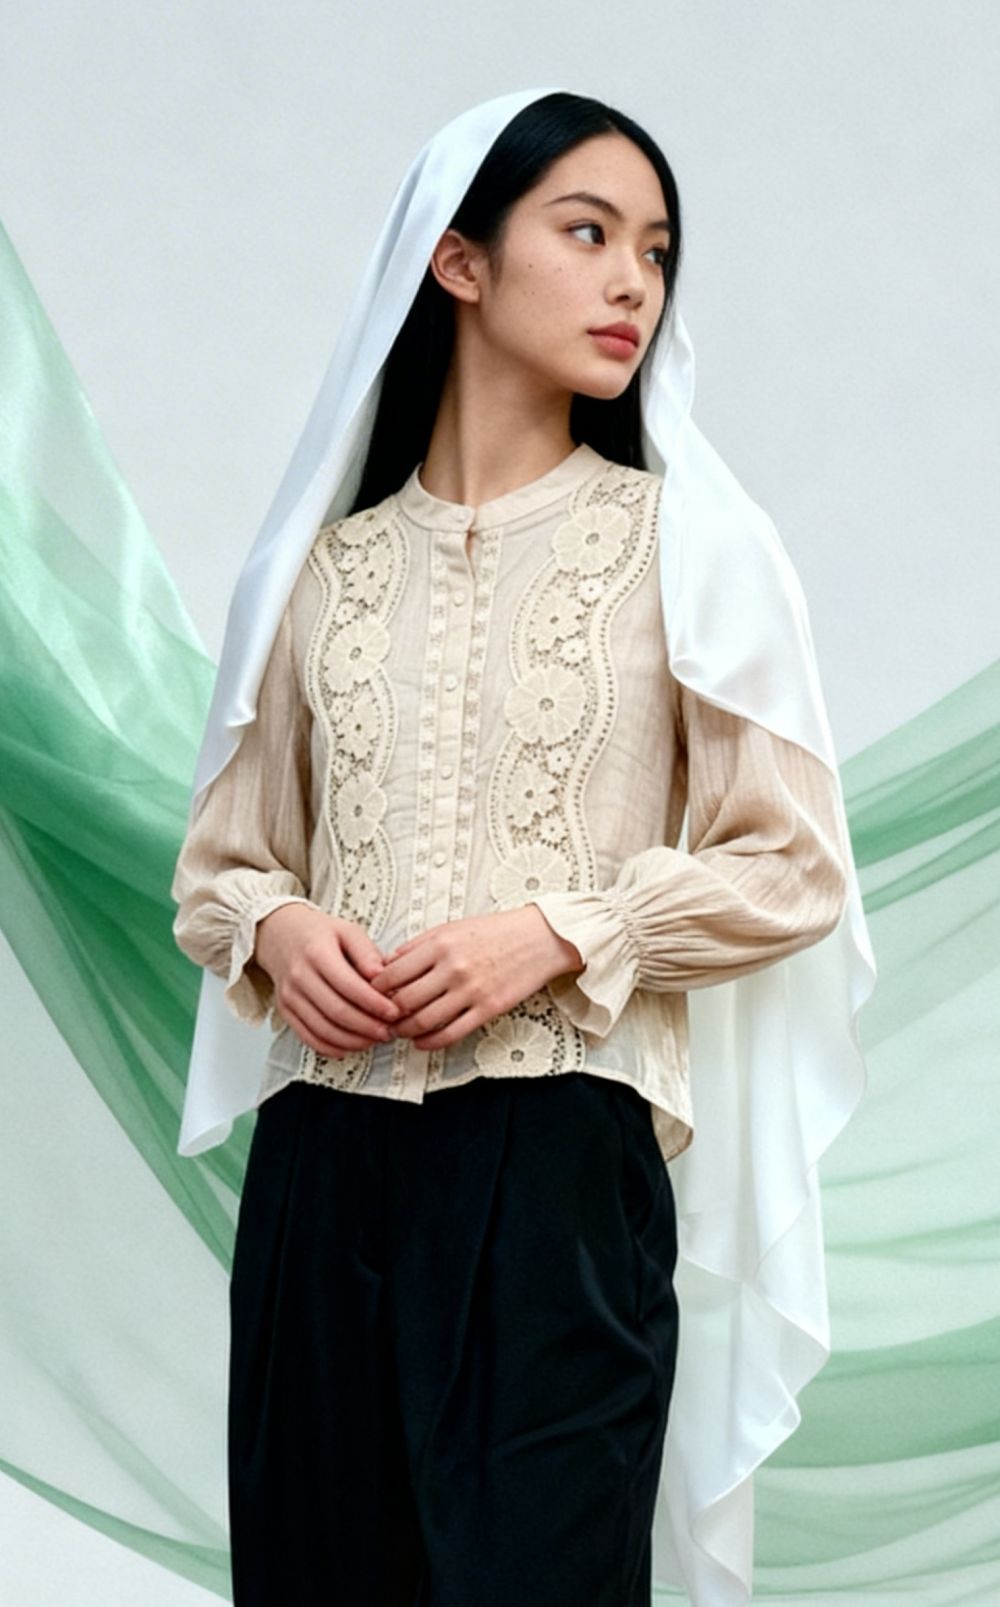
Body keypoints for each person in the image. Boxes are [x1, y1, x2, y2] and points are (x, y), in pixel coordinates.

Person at [170, 89, 875, 1606]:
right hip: (322, 1172)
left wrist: (560, 933)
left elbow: (793, 868)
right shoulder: (318, 571)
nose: (636, 282)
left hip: (561, 1170)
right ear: (460, 261)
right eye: (589, 231)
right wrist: (279, 930)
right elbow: (223, 867)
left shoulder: (692, 548)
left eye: (657, 250)